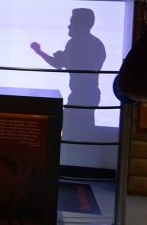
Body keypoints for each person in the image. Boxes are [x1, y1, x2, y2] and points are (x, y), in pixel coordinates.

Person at [30, 8, 106, 139]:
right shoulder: (96, 44)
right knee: (83, 132)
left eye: (72, 22)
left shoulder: (75, 43)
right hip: (89, 95)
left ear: (81, 24)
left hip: (80, 96)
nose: (69, 26)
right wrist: (66, 58)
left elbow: (58, 64)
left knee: (72, 133)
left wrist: (39, 51)